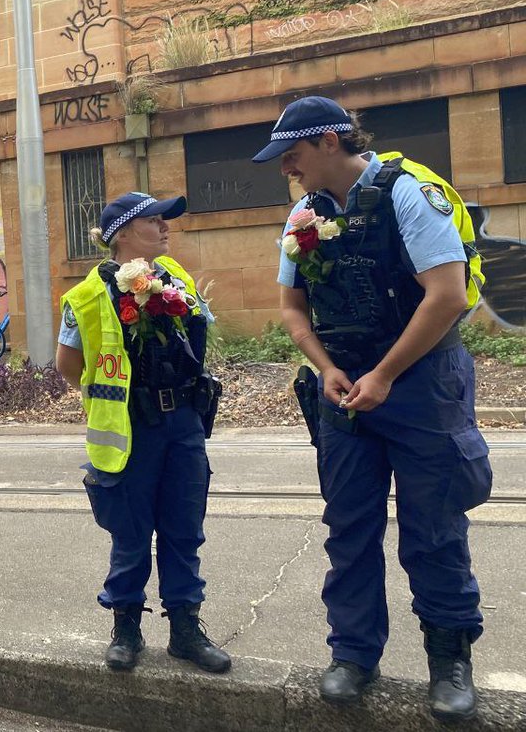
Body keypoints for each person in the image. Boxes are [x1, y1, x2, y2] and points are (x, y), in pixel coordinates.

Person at [253, 95, 491, 720]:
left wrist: (384, 375)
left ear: (330, 142)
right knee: (350, 528)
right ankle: (353, 655)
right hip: (345, 389)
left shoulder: (409, 194)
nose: (288, 168)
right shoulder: (304, 215)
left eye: (293, 154)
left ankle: (450, 660)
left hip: (419, 384)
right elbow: (291, 307)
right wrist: (327, 368)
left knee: (434, 528)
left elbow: (447, 296)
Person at [55, 192, 230, 675]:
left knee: (183, 530)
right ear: (123, 234)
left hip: (183, 425)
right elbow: (69, 365)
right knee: (131, 535)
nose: (166, 228)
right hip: (131, 429)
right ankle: (126, 629)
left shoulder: (176, 278)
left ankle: (185, 630)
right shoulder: (88, 296)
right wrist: (116, 396)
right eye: (155, 221)